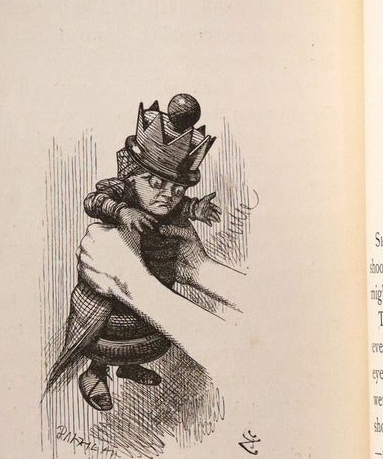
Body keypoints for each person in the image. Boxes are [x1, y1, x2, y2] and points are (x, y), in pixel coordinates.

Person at [46, 93, 240, 412]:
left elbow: (178, 206)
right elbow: (93, 201)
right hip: (109, 297)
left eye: (177, 190)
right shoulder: (122, 193)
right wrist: (122, 211)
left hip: (154, 286)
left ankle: (129, 368)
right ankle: (95, 373)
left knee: (146, 331)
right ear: (132, 176)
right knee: (105, 339)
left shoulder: (170, 203)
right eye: (155, 183)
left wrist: (195, 209)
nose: (167, 197)